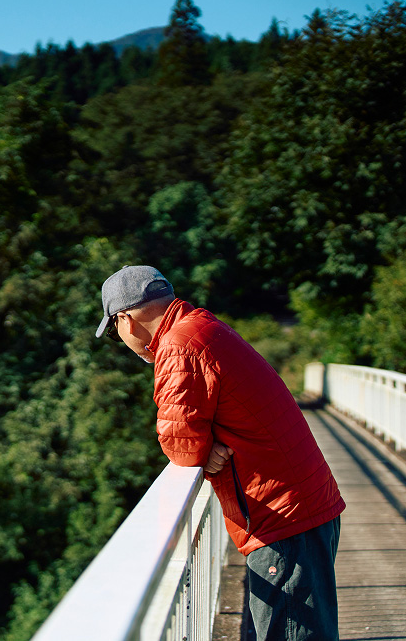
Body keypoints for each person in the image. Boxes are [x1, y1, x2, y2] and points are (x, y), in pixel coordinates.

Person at [95, 265, 345, 641]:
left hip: (281, 519)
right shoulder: (203, 326)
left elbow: (181, 444)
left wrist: (203, 446)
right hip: (300, 507)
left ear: (126, 320)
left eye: (115, 330)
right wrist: (209, 442)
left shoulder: (179, 347)